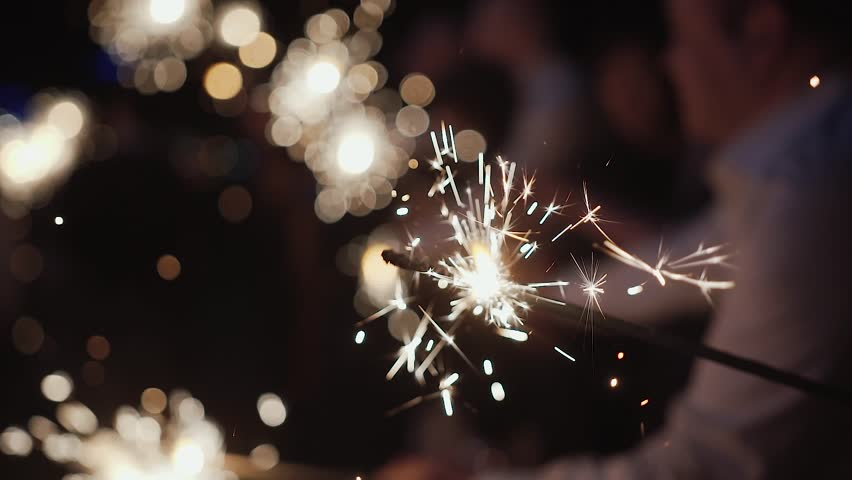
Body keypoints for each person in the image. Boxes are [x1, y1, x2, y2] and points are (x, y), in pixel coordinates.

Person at [378, 0, 852, 478]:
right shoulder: (793, 176)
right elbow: (677, 267)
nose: (670, 61)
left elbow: (706, 463)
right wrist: (543, 293)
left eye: (681, 38)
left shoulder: (805, 200)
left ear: (763, 34)